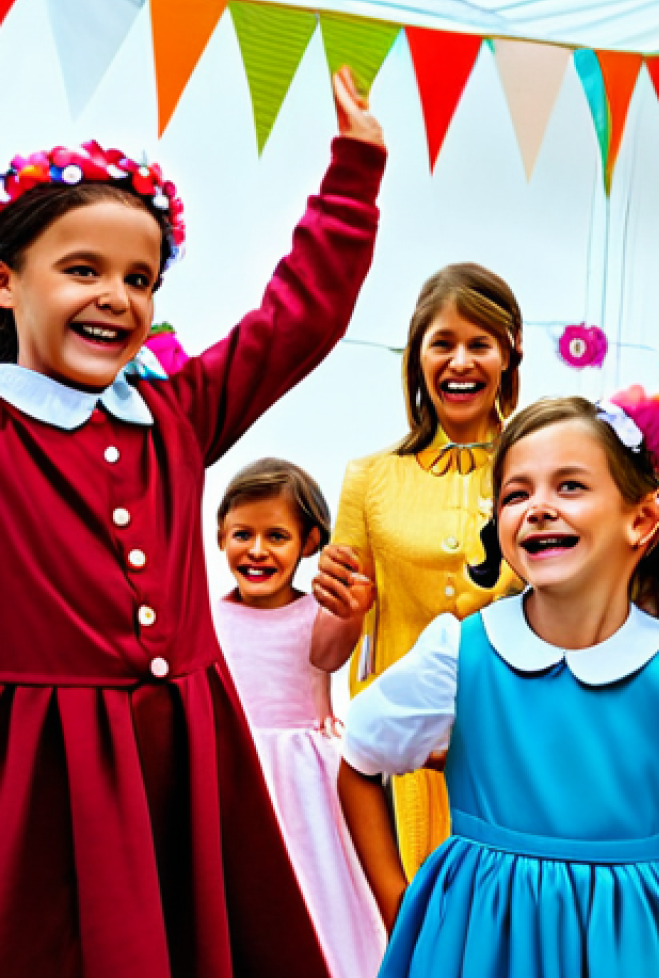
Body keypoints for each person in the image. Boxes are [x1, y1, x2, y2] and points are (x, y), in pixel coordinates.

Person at [0, 68, 385, 976]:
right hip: (48, 766)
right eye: (82, 270)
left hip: (183, 752)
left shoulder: (174, 415)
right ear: (7, 284)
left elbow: (296, 323)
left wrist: (354, 176)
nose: (116, 297)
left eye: (139, 278)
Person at [336, 396, 659, 978]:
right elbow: (359, 759)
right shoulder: (460, 655)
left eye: (570, 486)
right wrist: (396, 900)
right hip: (477, 946)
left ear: (644, 518)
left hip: (629, 951)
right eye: (515, 494)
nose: (538, 508)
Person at [311, 263, 523, 877]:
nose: (461, 362)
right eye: (444, 344)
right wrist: (343, 612)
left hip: (511, 738)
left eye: (480, 344)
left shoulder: (539, 466)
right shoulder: (369, 478)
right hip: (405, 747)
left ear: (509, 356)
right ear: (417, 357)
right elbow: (327, 655)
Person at [213, 458, 386, 978]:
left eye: (277, 536)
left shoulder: (317, 611)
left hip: (301, 777)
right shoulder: (207, 613)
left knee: (314, 880)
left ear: (309, 543)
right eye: (243, 534)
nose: (258, 550)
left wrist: (352, 612)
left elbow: (332, 655)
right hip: (230, 767)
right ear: (221, 537)